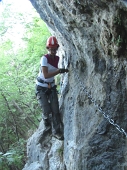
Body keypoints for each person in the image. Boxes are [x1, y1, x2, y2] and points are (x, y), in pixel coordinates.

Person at [35, 36, 68, 140]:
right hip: (41, 87)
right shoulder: (44, 59)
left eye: (55, 49)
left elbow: (53, 71)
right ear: (48, 49)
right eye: (51, 49)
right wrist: (59, 71)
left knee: (55, 110)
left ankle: (56, 132)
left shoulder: (57, 58)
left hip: (51, 86)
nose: (53, 51)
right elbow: (46, 75)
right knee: (46, 110)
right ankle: (46, 121)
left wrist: (62, 70)